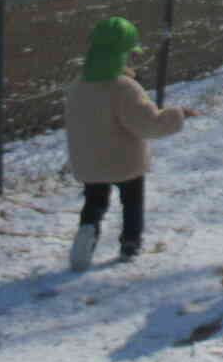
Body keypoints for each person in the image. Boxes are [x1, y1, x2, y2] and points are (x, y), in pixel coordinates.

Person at [62, 16, 192, 269]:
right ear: (124, 55)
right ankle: (130, 242)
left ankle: (87, 229)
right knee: (131, 201)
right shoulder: (124, 87)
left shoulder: (78, 86)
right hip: (124, 160)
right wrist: (177, 114)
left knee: (94, 201)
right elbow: (148, 124)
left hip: (89, 160)